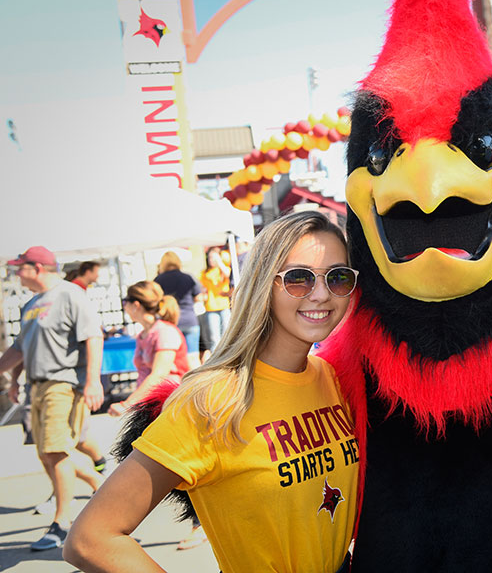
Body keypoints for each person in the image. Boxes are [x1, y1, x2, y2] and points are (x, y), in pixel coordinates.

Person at [64, 211, 361, 573]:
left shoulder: (333, 379)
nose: (321, 294)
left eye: (338, 277)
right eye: (298, 278)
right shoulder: (212, 399)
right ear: (263, 283)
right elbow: (91, 538)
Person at [0, 246, 105, 551]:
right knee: (47, 454)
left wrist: (92, 381)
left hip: (64, 383)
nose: (15, 273)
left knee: (57, 451)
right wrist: (14, 379)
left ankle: (62, 522)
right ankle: (101, 485)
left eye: (20, 267)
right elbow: (21, 347)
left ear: (38, 268)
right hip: (37, 386)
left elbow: (92, 336)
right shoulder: (31, 304)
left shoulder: (70, 294)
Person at [107, 281, 190, 418]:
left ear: (136, 305)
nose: (124, 306)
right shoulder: (143, 335)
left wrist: (128, 404)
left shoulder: (165, 332)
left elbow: (159, 374)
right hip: (152, 405)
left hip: (170, 405)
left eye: (125, 302)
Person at [154, 251, 205, 369]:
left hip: (170, 323)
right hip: (190, 320)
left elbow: (155, 301)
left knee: (174, 360)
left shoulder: (158, 280)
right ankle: (196, 386)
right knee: (193, 358)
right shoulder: (187, 277)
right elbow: (198, 297)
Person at [198, 246, 232, 356]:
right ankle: (217, 358)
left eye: (213, 257)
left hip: (224, 306)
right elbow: (202, 287)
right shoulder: (204, 273)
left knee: (227, 334)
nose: (211, 260)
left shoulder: (223, 269)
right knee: (214, 338)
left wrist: (219, 262)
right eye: (210, 257)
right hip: (211, 308)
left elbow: (228, 274)